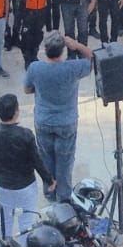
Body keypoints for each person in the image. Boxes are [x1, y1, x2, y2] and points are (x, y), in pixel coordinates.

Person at [23, 30, 95, 201]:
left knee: (46, 159)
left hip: (44, 120)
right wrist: (77, 45)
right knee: (64, 161)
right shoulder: (72, 68)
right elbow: (94, 58)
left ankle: (50, 193)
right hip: (66, 122)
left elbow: (27, 89)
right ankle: (64, 196)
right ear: (63, 50)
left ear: (45, 49)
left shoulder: (35, 68)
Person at [0, 94, 51, 242]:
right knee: (26, 223)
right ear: (16, 112)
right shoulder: (26, 135)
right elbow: (37, 161)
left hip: (3, 185)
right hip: (25, 187)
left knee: (5, 222)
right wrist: (49, 180)